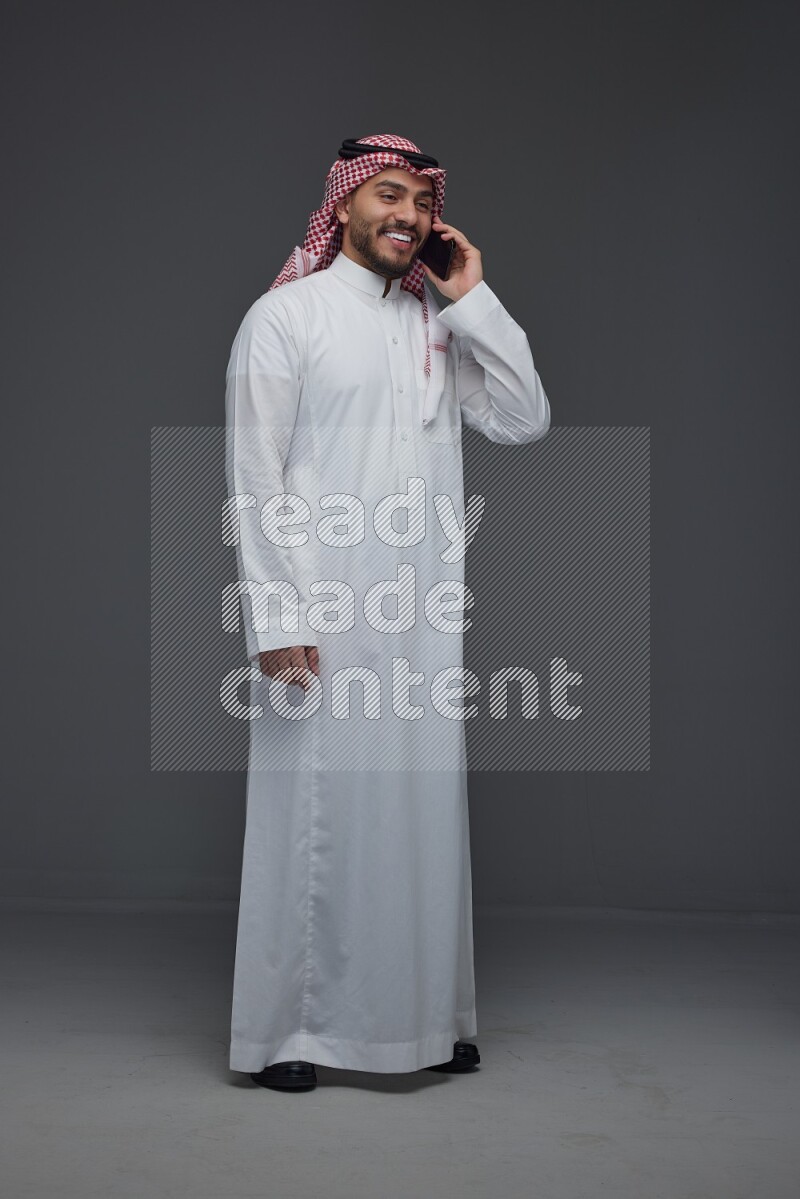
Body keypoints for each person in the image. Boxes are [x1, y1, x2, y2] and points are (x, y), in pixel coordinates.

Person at [224, 134, 550, 1092]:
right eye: (387, 196)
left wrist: (472, 295)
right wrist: (278, 618)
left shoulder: (436, 325)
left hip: (421, 613)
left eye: (420, 200)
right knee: (314, 818)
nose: (405, 215)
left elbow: (524, 417)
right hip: (321, 613)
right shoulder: (286, 316)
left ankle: (431, 1019)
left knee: (419, 814)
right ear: (345, 204)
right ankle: (292, 1032)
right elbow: (253, 476)